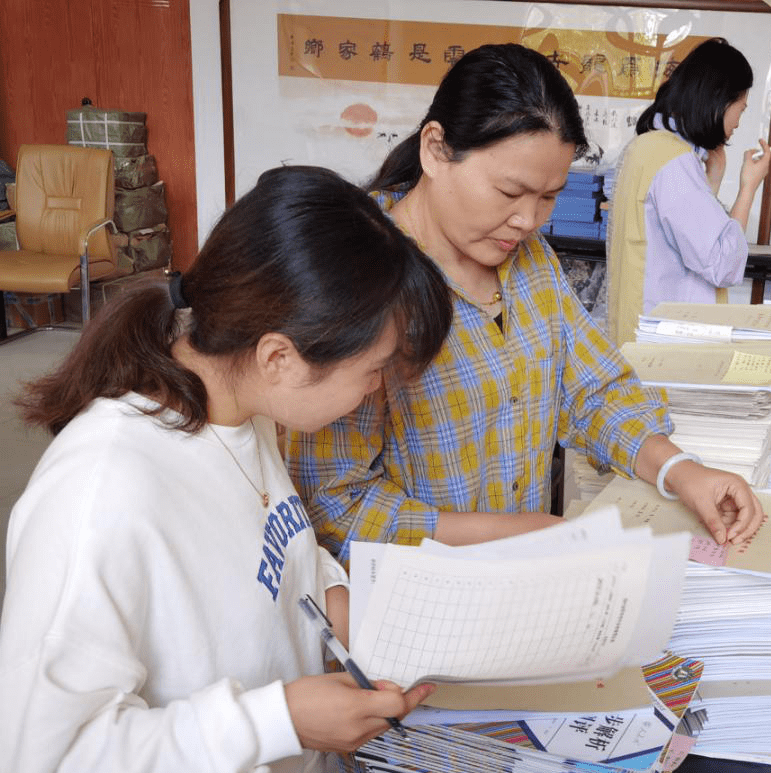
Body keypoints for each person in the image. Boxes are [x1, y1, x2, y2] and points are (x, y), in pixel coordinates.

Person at [0, 165, 453, 773]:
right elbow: (44, 755)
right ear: (279, 357)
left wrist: (343, 602)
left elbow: (278, 551)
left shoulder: (242, 412)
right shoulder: (99, 496)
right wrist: (278, 721)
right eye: (372, 371)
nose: (376, 392)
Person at [286, 42, 764, 567]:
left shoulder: (531, 262)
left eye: (549, 196)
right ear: (436, 149)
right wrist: (510, 534)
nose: (528, 220)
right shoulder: (359, 279)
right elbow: (335, 502)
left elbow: (594, 389)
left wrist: (680, 471)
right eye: (509, 192)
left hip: (526, 592)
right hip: (421, 609)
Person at [606, 37, 771, 348]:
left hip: (640, 334)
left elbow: (672, 238)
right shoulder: (674, 162)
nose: (738, 121)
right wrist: (749, 187)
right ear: (720, 101)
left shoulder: (646, 146)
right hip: (666, 347)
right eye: (741, 108)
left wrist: (710, 181)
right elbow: (721, 263)